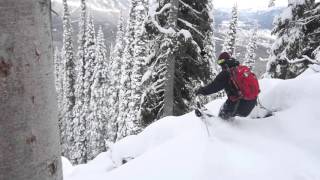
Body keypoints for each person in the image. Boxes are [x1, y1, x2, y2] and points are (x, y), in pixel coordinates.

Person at [195, 52, 258, 121]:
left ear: (223, 61)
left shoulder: (226, 73)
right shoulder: (240, 68)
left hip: (237, 104)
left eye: (220, 62)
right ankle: (231, 128)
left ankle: (218, 126)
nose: (220, 65)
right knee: (229, 118)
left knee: (222, 119)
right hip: (251, 104)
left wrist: (201, 91)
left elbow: (214, 86)